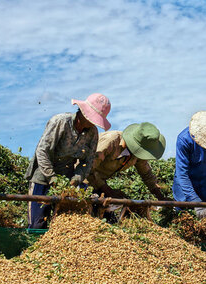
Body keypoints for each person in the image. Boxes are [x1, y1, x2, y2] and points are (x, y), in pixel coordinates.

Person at [25, 93, 111, 229]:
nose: (92, 122)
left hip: (67, 179)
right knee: (37, 224)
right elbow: (42, 151)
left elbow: (88, 161)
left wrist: (77, 177)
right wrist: (51, 178)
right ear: (82, 112)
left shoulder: (92, 133)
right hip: (43, 175)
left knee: (65, 224)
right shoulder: (60, 122)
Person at [87, 122, 168, 201]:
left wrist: (160, 196)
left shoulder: (137, 155)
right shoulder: (110, 142)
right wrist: (107, 190)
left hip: (99, 182)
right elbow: (87, 166)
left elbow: (146, 174)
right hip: (82, 179)